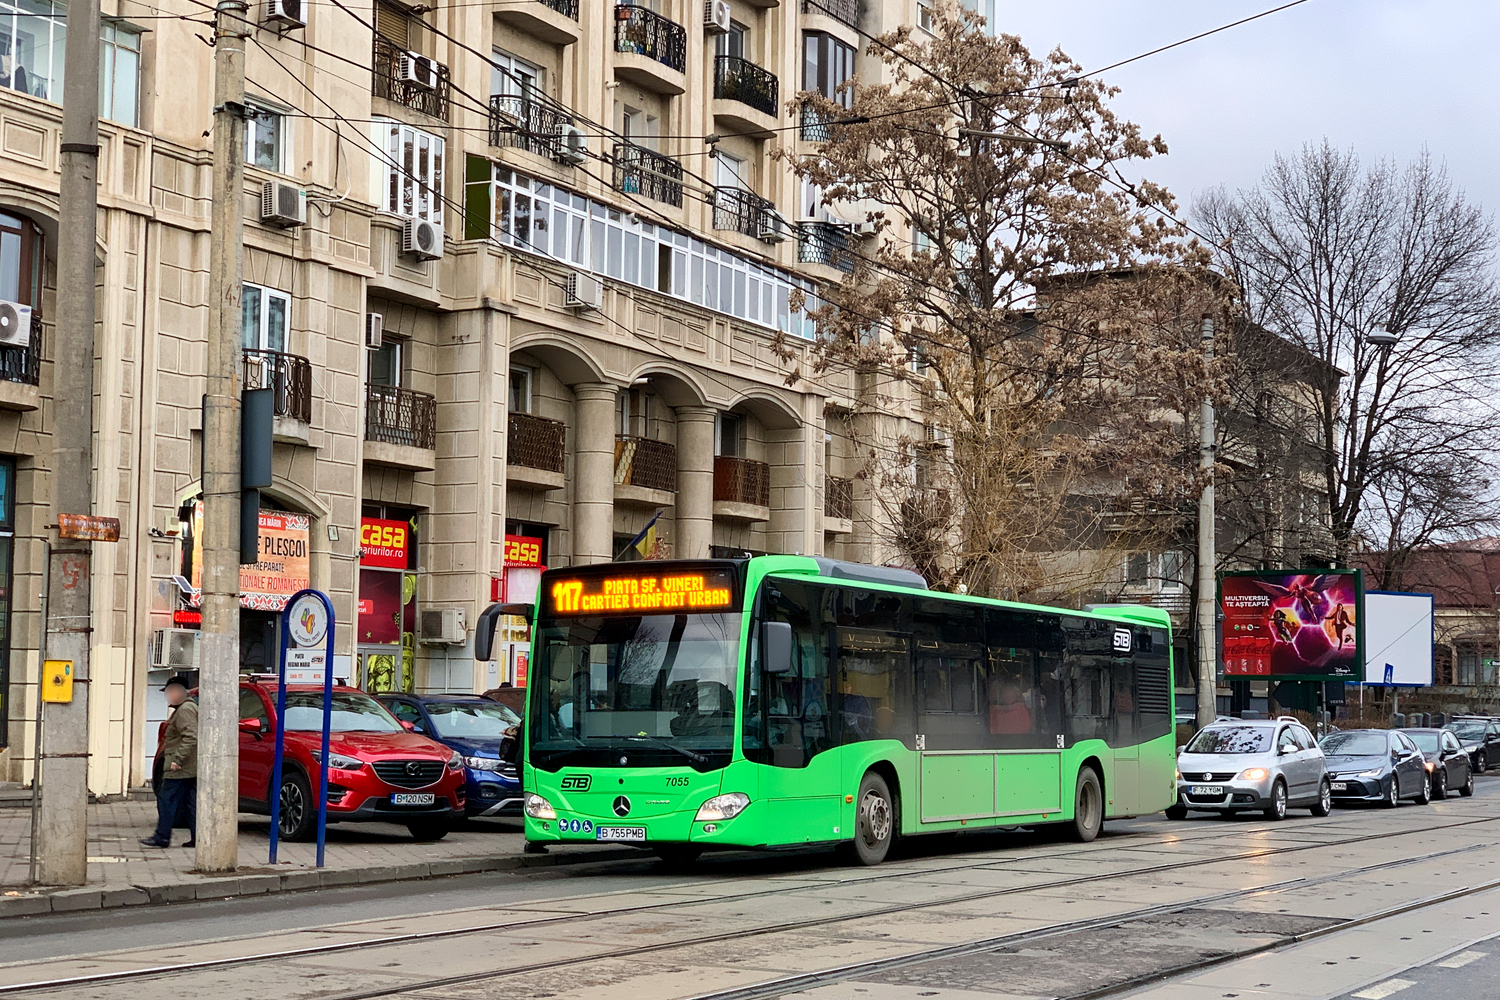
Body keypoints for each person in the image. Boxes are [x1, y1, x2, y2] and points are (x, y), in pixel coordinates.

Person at [141, 675, 197, 848]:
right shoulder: (186, 708)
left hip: (181, 767)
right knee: (190, 802)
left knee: (166, 798)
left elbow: (191, 736)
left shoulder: (185, 710)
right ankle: (198, 838)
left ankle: (162, 837)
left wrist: (177, 759)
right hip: (189, 767)